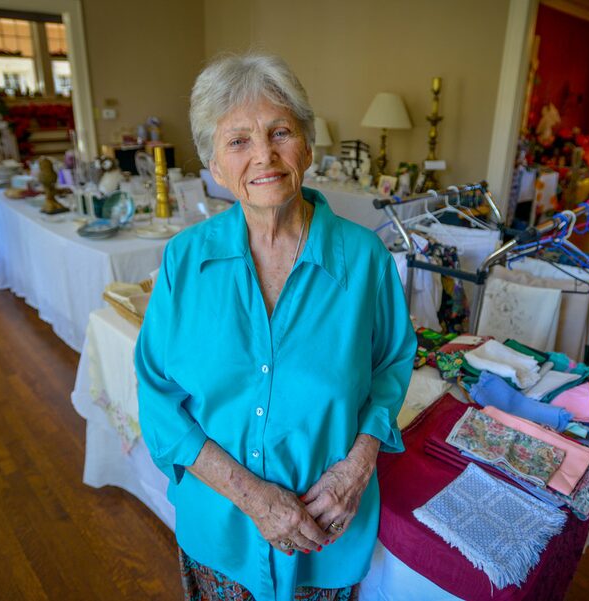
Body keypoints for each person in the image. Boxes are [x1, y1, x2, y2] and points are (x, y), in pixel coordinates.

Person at [134, 52, 416, 601]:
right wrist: (253, 496)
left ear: (307, 146)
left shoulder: (365, 261)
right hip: (220, 529)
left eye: (280, 132)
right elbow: (156, 395)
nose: (263, 155)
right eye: (238, 141)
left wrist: (356, 468)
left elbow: (390, 368)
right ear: (214, 167)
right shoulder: (184, 261)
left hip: (326, 528)